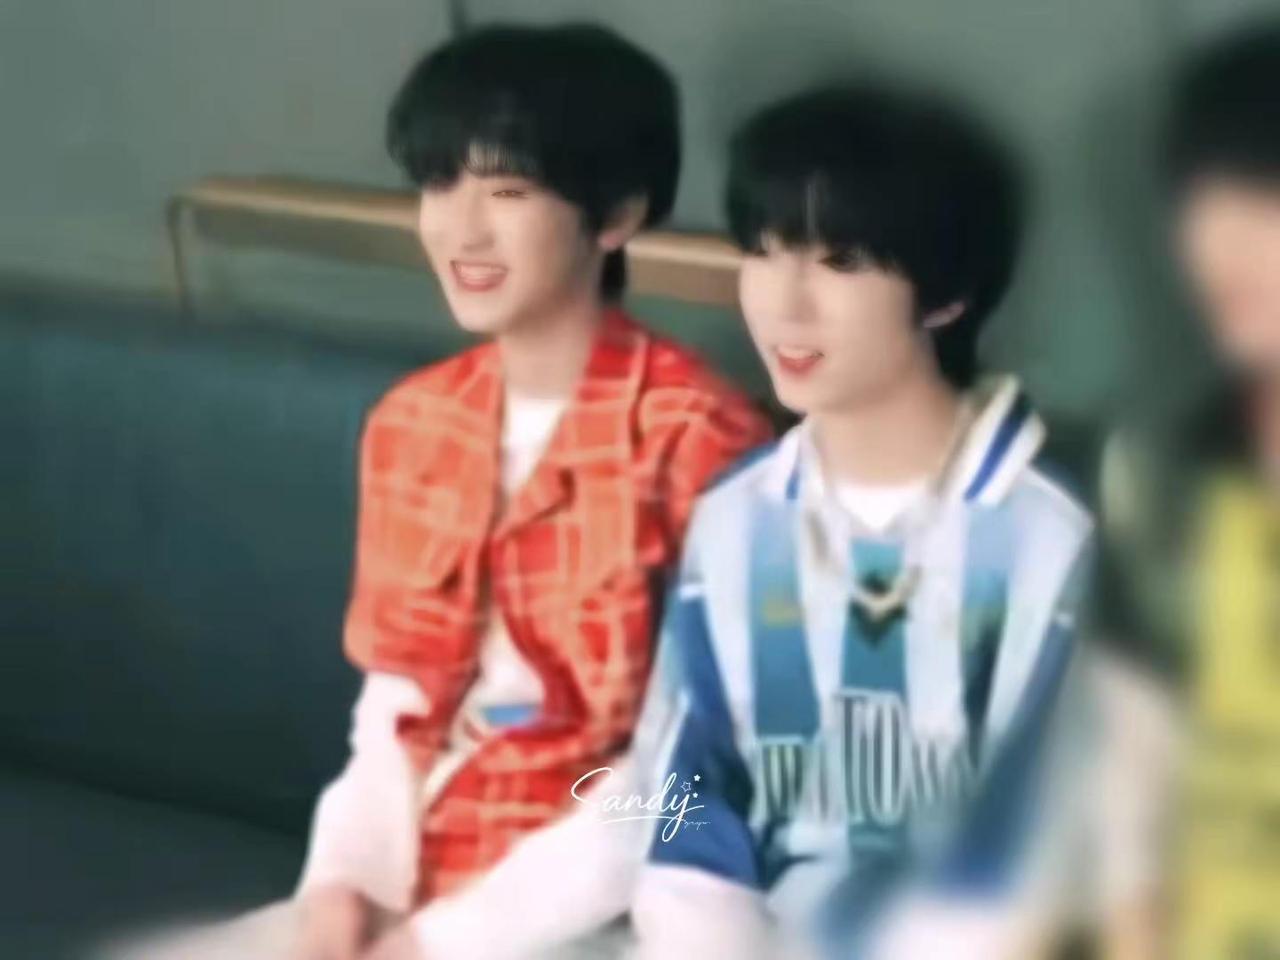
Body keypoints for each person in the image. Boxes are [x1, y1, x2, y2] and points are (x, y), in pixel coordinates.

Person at [95, 22, 771, 960]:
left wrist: (445, 941)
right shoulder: (415, 423)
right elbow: (393, 710)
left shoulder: (701, 442)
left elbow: (681, 781)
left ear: (616, 215)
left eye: (508, 191)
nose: (462, 229)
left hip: (608, 905)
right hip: (424, 865)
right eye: (439, 185)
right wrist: (340, 889)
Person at [403, 84, 1095, 960]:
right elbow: (676, 788)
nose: (784, 304)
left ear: (947, 294)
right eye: (763, 253)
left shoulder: (1044, 544)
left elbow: (1043, 859)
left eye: (842, 262)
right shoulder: (739, 516)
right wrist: (436, 941)